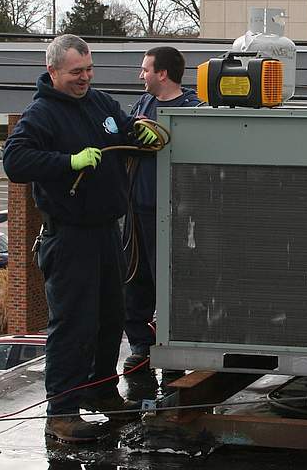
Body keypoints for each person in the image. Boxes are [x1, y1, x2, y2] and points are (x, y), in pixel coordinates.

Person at [3, 34, 152, 443]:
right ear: (53, 72)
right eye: (76, 72)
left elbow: (124, 129)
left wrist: (141, 135)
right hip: (69, 237)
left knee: (110, 318)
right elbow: (15, 160)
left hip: (107, 231)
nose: (84, 78)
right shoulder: (42, 114)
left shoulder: (100, 103)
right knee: (73, 325)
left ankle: (101, 391)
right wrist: (68, 162)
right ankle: (62, 412)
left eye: (88, 70)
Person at [122, 47, 200, 378]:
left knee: (170, 283)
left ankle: (175, 350)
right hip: (136, 210)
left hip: (174, 215)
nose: (141, 75)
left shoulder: (193, 110)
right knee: (133, 281)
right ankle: (141, 345)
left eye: (145, 70)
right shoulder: (143, 106)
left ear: (162, 74)